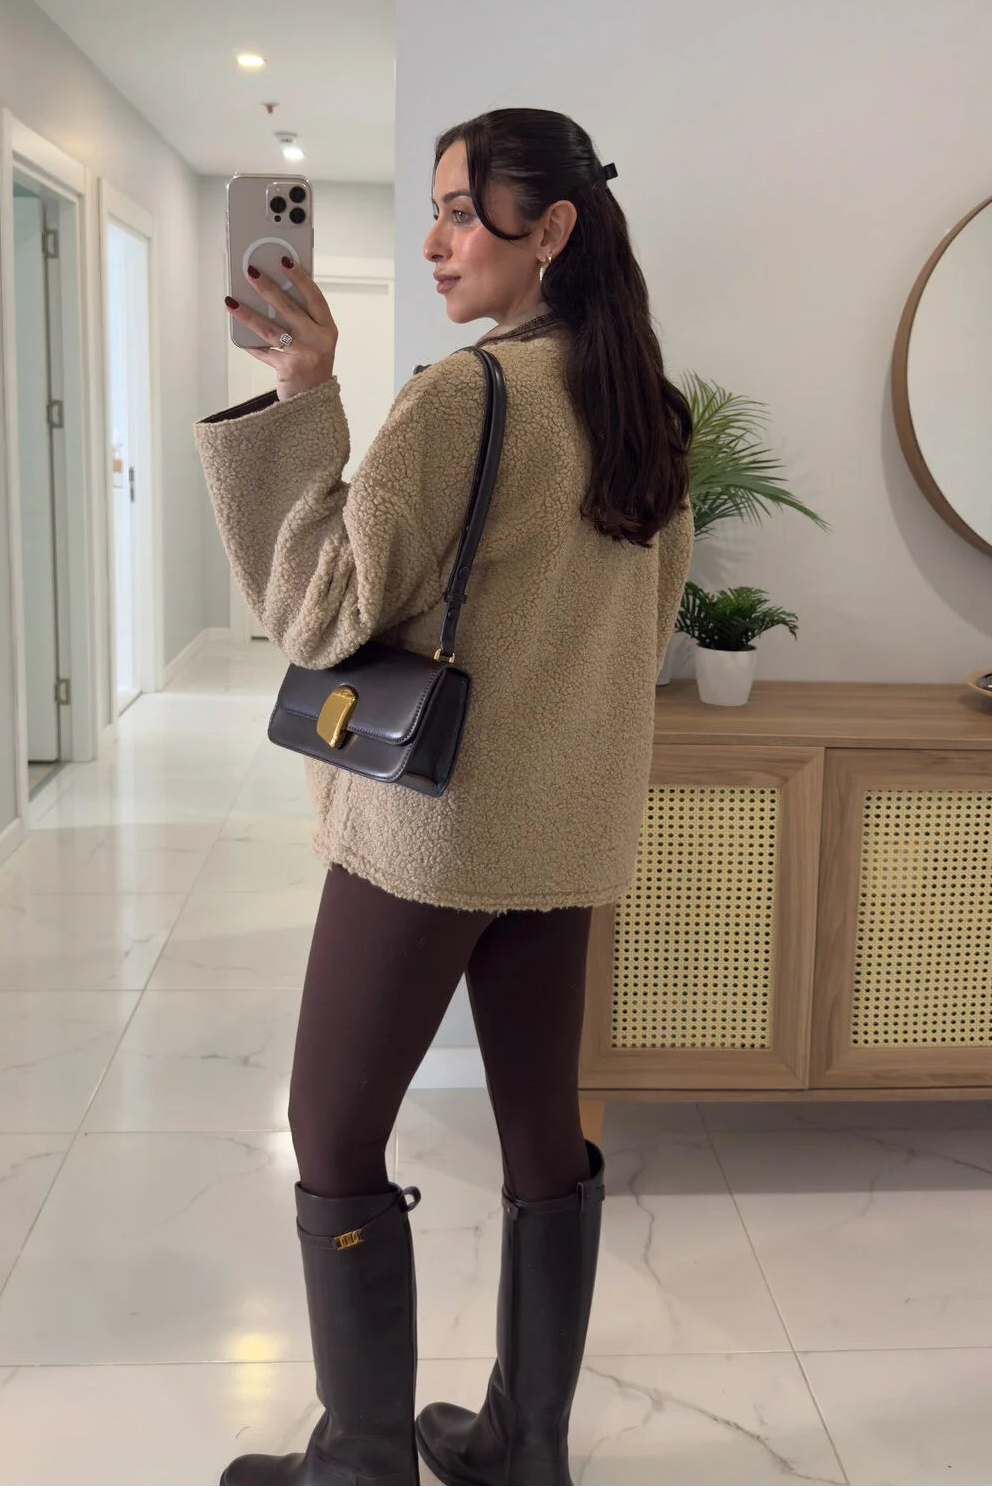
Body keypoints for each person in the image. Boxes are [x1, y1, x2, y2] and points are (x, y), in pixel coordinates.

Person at [194, 107, 693, 1487]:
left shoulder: (462, 397)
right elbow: (643, 630)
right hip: (563, 824)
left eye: (463, 211)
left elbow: (318, 614)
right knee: (541, 1126)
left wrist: (302, 399)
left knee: (333, 1126)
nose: (434, 240)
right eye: (438, 209)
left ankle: (361, 1459)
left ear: (554, 228)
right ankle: (527, 1449)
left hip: (433, 827)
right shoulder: (647, 408)